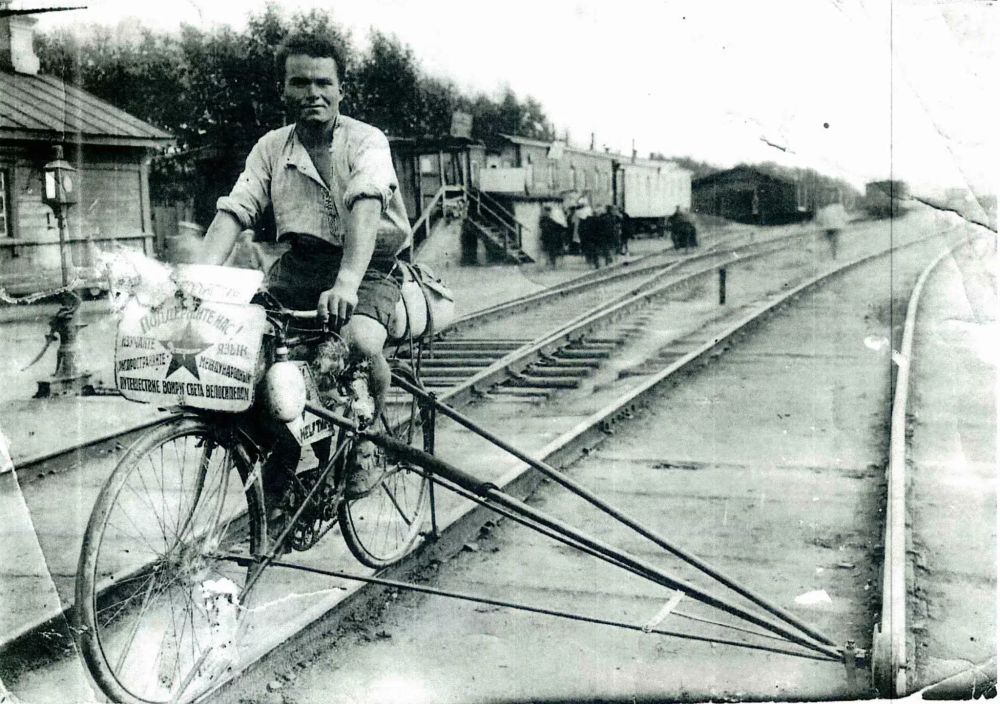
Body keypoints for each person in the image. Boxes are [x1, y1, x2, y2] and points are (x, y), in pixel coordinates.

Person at [197, 32, 411, 503]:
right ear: (284, 90)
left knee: (357, 342)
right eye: (299, 82)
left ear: (340, 89)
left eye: (323, 82)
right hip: (301, 263)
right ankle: (287, 456)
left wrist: (348, 283)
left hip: (368, 261)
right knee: (244, 349)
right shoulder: (271, 147)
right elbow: (236, 209)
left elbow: (367, 204)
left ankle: (368, 438)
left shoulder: (365, 140)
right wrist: (197, 278)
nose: (312, 92)